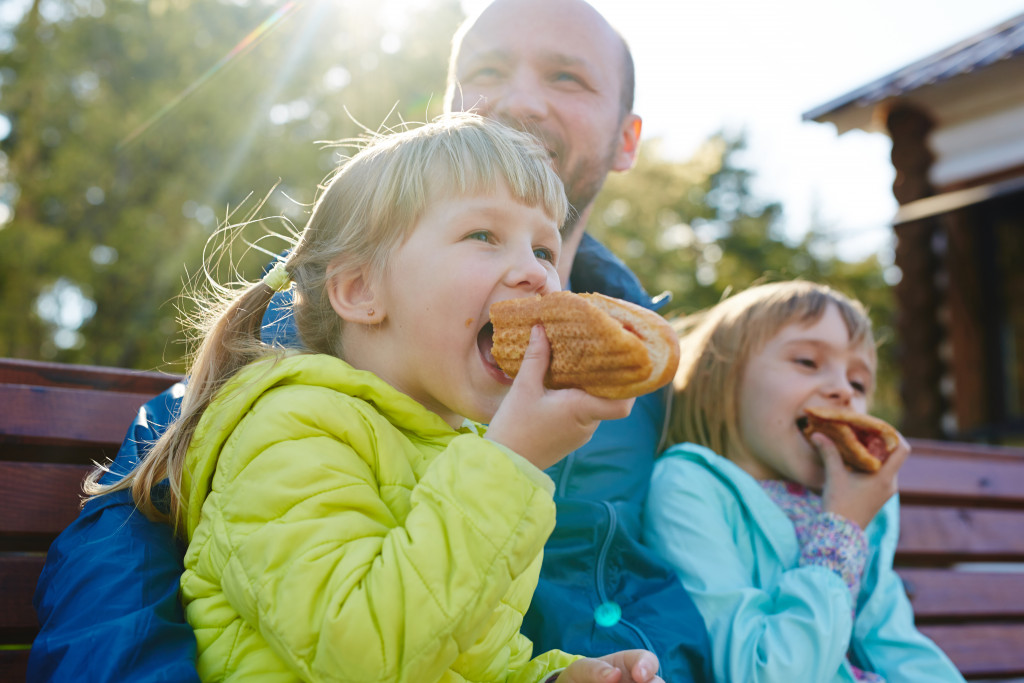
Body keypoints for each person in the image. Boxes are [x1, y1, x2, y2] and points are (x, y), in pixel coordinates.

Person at [29, 1, 713, 680]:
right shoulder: (281, 392)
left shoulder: (649, 394)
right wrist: (513, 462)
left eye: (567, 77)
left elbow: (471, 650)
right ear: (357, 292)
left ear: (628, 138)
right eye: (488, 68)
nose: (520, 99)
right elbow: (353, 644)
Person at [643, 281, 966, 682]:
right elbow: (762, 672)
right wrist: (841, 528)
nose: (843, 391)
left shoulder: (858, 506)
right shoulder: (687, 486)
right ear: (718, 374)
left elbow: (895, 643)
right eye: (808, 362)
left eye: (860, 383)